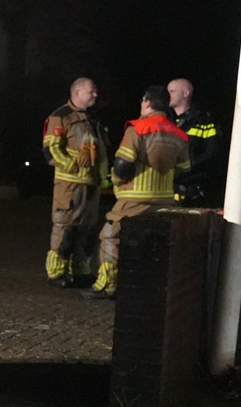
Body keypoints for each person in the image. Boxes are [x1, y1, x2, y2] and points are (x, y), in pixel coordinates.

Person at [89, 85, 191, 299]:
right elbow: (184, 170)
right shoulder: (179, 134)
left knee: (110, 235)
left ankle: (109, 284)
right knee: (153, 243)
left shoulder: (137, 128)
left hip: (134, 199)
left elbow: (123, 165)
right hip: (165, 201)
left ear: (147, 102)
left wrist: (116, 181)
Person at [41, 77, 106, 286]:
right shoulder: (61, 116)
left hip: (91, 184)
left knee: (86, 229)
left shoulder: (92, 118)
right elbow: (50, 150)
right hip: (69, 184)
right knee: (65, 227)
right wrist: (73, 165)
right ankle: (56, 272)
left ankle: (81, 271)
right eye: (91, 91)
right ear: (77, 92)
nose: (95, 95)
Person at [167, 77, 224, 207]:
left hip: (193, 189)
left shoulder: (203, 121)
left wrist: (188, 166)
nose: (168, 95)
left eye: (172, 91)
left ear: (186, 93)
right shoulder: (166, 121)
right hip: (168, 188)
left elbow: (212, 152)